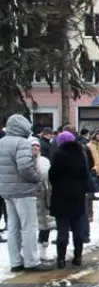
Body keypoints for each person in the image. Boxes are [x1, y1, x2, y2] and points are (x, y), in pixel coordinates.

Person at [0, 115, 50, 272]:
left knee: (13, 227)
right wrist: (37, 179)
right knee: (29, 226)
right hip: (24, 190)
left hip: (7, 191)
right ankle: (31, 261)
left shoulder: (2, 142)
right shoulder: (22, 143)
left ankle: (16, 262)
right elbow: (25, 167)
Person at [48, 132, 92, 269]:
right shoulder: (81, 154)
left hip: (60, 196)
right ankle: (78, 257)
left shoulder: (58, 155)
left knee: (62, 228)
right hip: (77, 196)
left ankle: (61, 259)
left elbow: (52, 175)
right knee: (78, 227)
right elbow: (86, 173)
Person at [31, 138, 55, 262]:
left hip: (45, 196)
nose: (35, 148)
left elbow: (49, 175)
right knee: (30, 226)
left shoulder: (44, 160)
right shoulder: (26, 161)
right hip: (30, 197)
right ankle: (29, 252)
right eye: (33, 146)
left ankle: (43, 250)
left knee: (46, 224)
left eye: (37, 146)